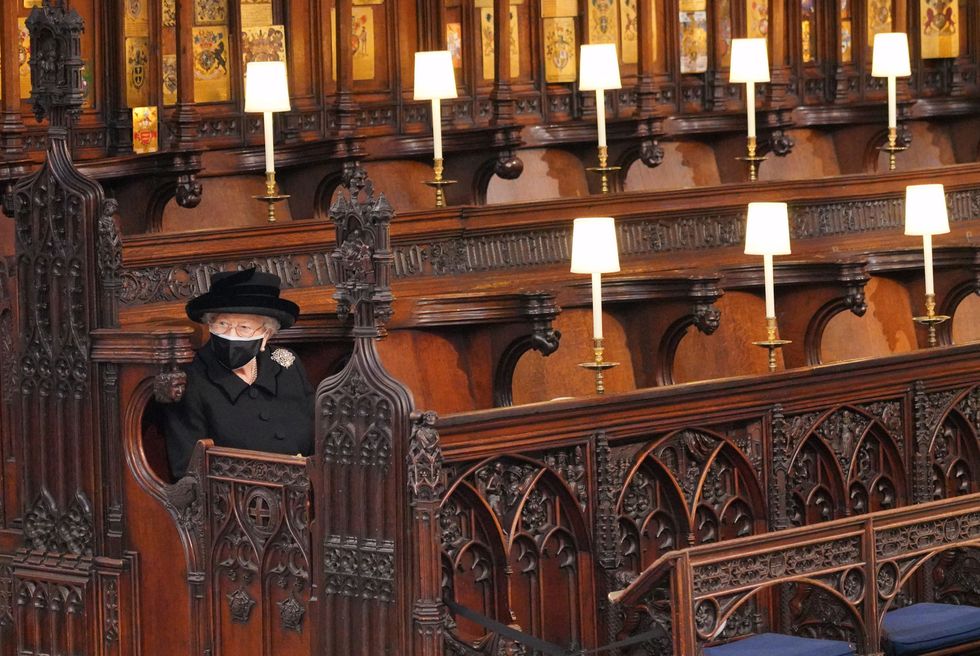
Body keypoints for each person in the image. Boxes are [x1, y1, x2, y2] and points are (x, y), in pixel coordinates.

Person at [163, 268, 314, 478]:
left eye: (244, 327)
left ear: (266, 335)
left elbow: (318, 435)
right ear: (209, 324)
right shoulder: (190, 379)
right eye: (222, 324)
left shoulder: (287, 363)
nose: (231, 335)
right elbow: (189, 472)